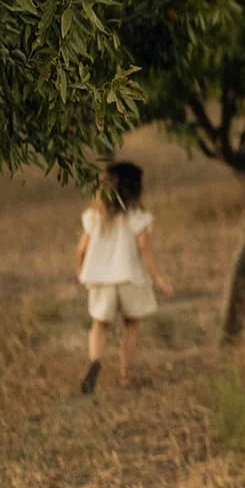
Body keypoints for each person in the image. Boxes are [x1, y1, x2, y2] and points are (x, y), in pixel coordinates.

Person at [75, 161, 172, 394]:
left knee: (99, 325)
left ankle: (95, 361)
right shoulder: (139, 217)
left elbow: (81, 250)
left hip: (101, 279)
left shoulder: (94, 217)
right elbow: (145, 251)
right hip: (130, 277)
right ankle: (126, 376)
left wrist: (81, 270)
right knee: (131, 326)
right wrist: (159, 278)